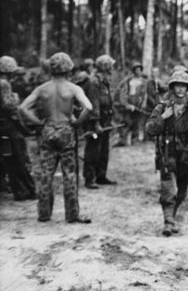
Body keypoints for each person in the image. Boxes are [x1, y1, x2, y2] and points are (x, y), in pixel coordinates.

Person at [19, 52, 93, 223]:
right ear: (68, 68)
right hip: (66, 130)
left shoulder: (42, 89)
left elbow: (23, 108)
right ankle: (72, 214)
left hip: (48, 130)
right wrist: (76, 123)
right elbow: (88, 107)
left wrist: (38, 123)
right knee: (69, 173)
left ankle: (44, 214)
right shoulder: (73, 88)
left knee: (45, 173)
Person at [145, 70, 188, 236]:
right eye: (177, 85)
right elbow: (149, 129)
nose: (180, 89)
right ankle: (168, 221)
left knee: (182, 192)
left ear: (187, 89)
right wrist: (163, 117)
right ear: (172, 88)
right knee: (167, 190)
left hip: (185, 156)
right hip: (167, 154)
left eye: (183, 86)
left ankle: (173, 216)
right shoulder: (162, 107)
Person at [0, 55, 37, 201]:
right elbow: (9, 107)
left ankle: (18, 190)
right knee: (19, 158)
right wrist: (23, 129)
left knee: (9, 159)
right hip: (7, 125)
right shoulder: (4, 84)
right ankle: (27, 190)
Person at [81, 54, 117, 189]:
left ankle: (101, 175)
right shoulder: (94, 82)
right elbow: (94, 103)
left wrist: (110, 120)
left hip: (105, 120)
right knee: (93, 150)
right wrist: (96, 123)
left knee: (104, 150)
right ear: (105, 67)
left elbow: (108, 102)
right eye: (111, 66)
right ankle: (90, 178)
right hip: (95, 120)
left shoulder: (105, 81)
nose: (113, 69)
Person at [116, 61, 148, 146]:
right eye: (136, 69)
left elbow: (144, 94)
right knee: (126, 122)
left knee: (136, 122)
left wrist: (143, 103)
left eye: (139, 69)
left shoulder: (143, 81)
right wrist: (126, 104)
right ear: (133, 70)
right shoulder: (128, 80)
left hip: (138, 104)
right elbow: (122, 91)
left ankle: (135, 139)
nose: (138, 71)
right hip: (129, 102)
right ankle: (122, 140)